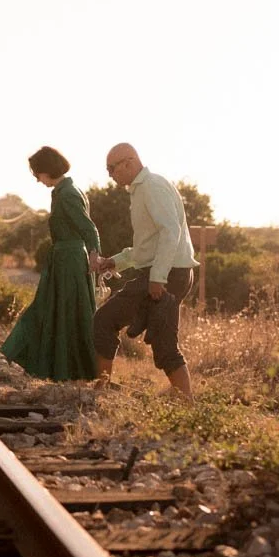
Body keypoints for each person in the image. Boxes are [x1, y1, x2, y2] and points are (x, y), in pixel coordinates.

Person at [90, 143, 199, 398]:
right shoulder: (141, 190)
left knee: (105, 320)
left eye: (111, 168)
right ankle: (186, 403)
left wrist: (158, 277)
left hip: (169, 274)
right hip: (169, 272)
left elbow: (170, 232)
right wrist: (114, 261)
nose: (110, 175)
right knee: (162, 341)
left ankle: (101, 391)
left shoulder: (152, 187)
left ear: (129, 163)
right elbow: (145, 247)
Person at [0, 146, 100, 381]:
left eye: (38, 174)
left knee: (65, 313)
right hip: (63, 259)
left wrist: (95, 256)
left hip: (70, 261)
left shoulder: (68, 194)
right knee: (53, 311)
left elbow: (89, 228)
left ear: (47, 169)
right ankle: (55, 368)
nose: (38, 179)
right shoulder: (63, 191)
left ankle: (66, 370)